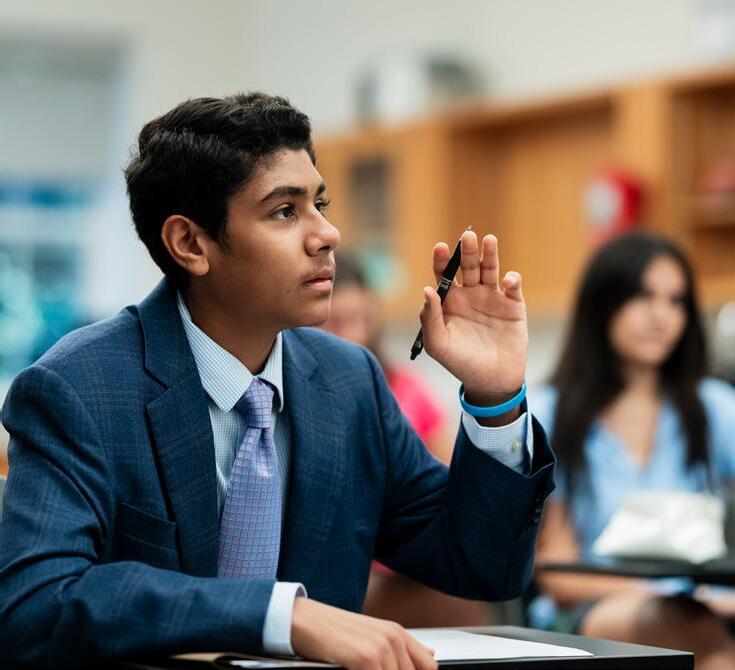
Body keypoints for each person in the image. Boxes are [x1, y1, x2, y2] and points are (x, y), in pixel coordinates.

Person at [0, 93, 554, 670]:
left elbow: (483, 567)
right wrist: (279, 614)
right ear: (190, 243)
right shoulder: (78, 388)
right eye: (285, 211)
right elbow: (35, 605)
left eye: (320, 203)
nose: (328, 234)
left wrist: (495, 398)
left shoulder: (350, 381)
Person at [532, 231, 735, 670]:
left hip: (705, 606)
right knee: (683, 622)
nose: (661, 316)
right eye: (643, 296)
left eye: (676, 301)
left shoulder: (714, 407)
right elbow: (558, 574)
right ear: (602, 303)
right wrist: (681, 596)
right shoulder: (551, 412)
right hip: (590, 612)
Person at [322, 254, 489, 626]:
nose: (353, 336)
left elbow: (451, 478)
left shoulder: (407, 389)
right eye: (335, 323)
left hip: (404, 565)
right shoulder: (303, 396)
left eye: (361, 320)